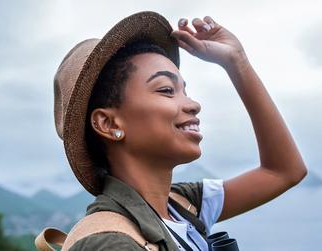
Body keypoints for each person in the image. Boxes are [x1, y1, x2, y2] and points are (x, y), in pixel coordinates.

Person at [53, 11, 307, 251]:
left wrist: (236, 62)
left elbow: (284, 171)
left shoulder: (180, 205)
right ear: (109, 124)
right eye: (166, 90)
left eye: (184, 90)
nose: (193, 104)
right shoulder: (110, 242)